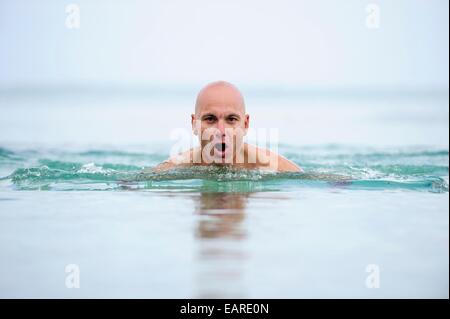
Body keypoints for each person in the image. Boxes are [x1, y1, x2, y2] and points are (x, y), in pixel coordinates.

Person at [154, 81, 302, 172]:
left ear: (245, 124)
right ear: (194, 124)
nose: (221, 131)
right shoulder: (174, 167)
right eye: (210, 119)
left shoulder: (272, 166)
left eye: (231, 119)